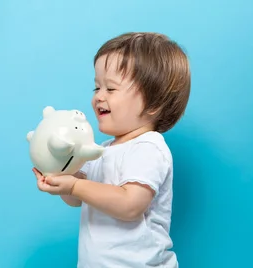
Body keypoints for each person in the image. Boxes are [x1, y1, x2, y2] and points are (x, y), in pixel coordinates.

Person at [33, 32, 191, 267]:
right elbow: (78, 200)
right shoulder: (102, 150)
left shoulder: (149, 148)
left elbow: (130, 205)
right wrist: (60, 179)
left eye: (111, 89)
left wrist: (76, 185)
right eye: (96, 88)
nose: (99, 97)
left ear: (154, 104)